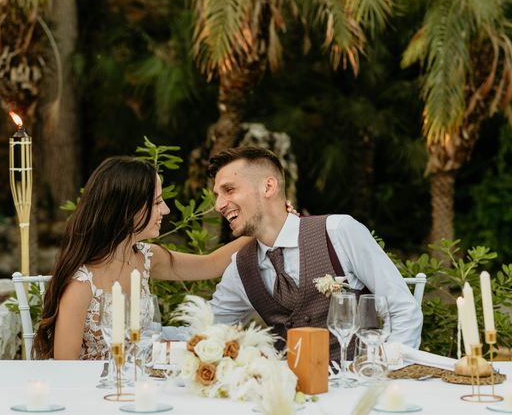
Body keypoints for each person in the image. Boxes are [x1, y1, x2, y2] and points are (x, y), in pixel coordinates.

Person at [207, 146, 423, 361]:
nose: (218, 205)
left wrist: (386, 376)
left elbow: (403, 310)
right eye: (217, 195)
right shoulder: (241, 267)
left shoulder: (338, 231)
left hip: (355, 386)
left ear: (268, 187)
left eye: (229, 190)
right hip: (288, 391)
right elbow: (205, 330)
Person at [33, 156, 255, 360]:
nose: (166, 210)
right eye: (157, 202)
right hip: (98, 392)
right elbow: (65, 368)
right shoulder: (80, 285)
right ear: (128, 209)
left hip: (142, 384)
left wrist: (265, 228)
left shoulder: (146, 257)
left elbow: (211, 264)